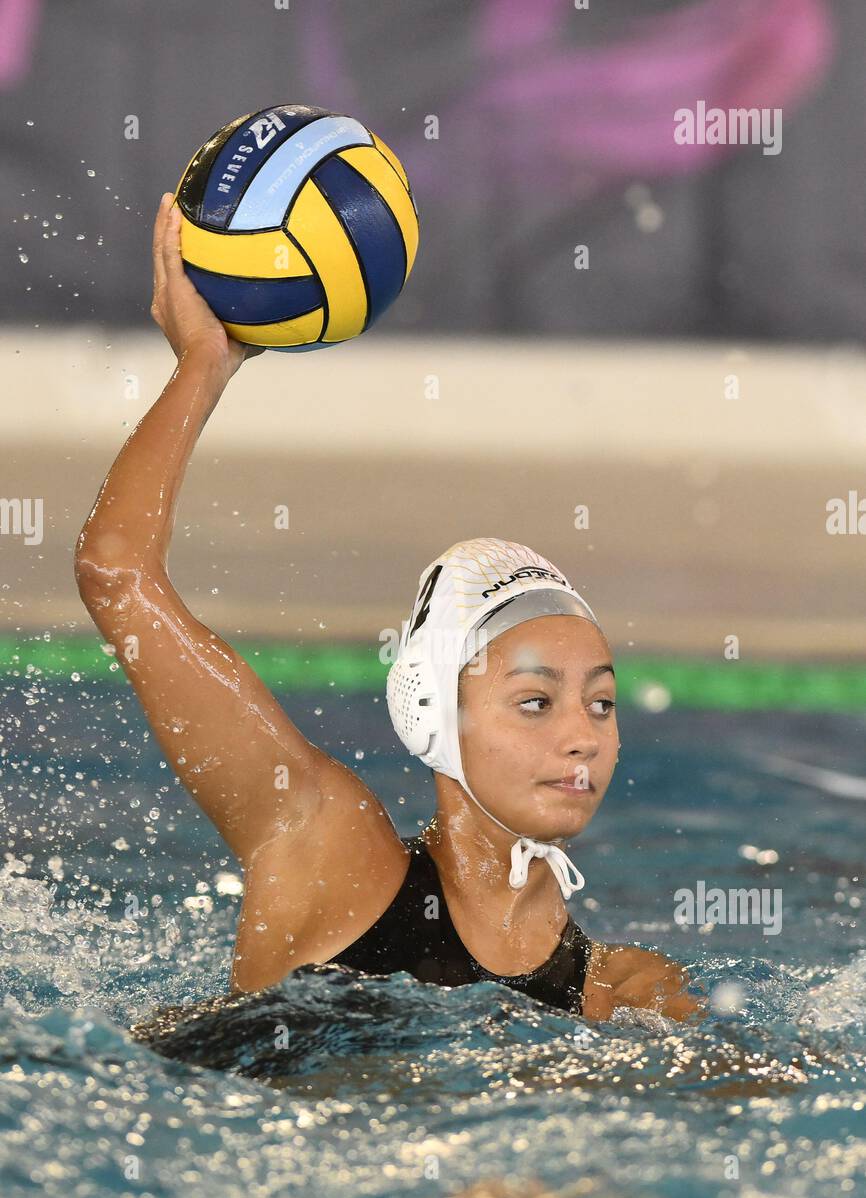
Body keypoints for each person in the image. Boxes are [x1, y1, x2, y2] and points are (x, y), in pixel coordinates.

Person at [74, 193, 702, 1025]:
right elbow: (115, 572)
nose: (582, 734)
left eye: (602, 702)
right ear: (428, 709)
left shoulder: (618, 986)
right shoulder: (326, 846)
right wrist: (203, 366)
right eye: (534, 701)